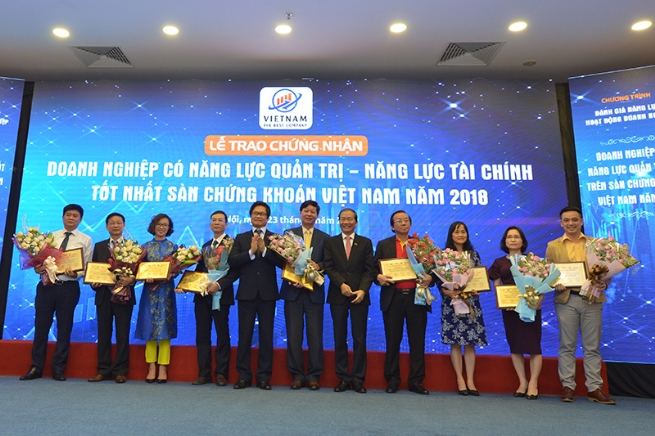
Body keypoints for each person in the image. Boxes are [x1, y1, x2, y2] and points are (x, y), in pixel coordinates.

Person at [546, 206, 616, 405]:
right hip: (566, 299)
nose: (571, 223)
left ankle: (594, 388)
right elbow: (548, 272)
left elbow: (606, 271)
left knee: (592, 347)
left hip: (592, 299)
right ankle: (568, 386)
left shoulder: (595, 244)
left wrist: (604, 283)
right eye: (566, 220)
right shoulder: (553, 246)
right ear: (561, 223)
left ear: (582, 221)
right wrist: (554, 283)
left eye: (574, 219)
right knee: (566, 345)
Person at [20, 204, 93, 382]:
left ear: (80, 219)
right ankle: (36, 367)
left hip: (68, 288)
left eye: (75, 215)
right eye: (68, 215)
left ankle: (58, 368)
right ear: (62, 217)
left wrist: (76, 273)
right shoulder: (50, 237)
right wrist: (37, 268)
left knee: (64, 328)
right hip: (46, 286)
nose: (71, 218)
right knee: (41, 326)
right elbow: (40, 260)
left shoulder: (85, 239)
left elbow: (87, 265)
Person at [374, 210, 434, 395]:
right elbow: (373, 269)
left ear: (410, 224)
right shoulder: (383, 245)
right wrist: (378, 277)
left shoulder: (421, 245)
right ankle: (392, 380)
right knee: (393, 340)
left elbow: (433, 269)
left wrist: (430, 278)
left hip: (417, 297)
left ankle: (416, 381)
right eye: (398, 221)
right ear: (392, 226)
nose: (403, 223)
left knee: (417, 341)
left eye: (406, 220)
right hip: (393, 298)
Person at [228, 201, 285, 390]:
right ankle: (243, 376)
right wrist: (251, 252)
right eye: (255, 213)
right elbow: (233, 261)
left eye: (262, 214)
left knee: (266, 336)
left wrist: (264, 251)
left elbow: (282, 262)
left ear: (267, 218)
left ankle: (263, 377)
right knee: (244, 335)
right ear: (250, 216)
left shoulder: (275, 238)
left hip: (268, 294)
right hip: (247, 293)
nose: (258, 216)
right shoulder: (241, 238)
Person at [323, 208, 376, 394]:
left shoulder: (365, 242)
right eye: (343, 219)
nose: (346, 222)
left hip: (359, 296)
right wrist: (341, 284)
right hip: (338, 295)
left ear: (356, 222)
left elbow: (370, 270)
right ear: (339, 221)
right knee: (340, 337)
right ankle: (343, 378)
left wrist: (362, 290)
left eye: (349, 219)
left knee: (359, 338)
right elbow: (329, 267)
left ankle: (358, 379)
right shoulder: (331, 242)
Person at [185, 210, 239, 387]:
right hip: (202, 296)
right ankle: (204, 373)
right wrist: (185, 285)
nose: (216, 222)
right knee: (202, 334)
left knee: (222, 334)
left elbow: (235, 272)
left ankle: (221, 373)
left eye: (220, 220)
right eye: (214, 220)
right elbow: (200, 271)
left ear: (226, 224)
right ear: (210, 224)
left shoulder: (233, 244)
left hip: (221, 296)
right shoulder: (206, 246)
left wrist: (219, 285)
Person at [280, 200, 329, 390]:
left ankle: (314, 375)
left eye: (313, 211)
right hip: (292, 291)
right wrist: (291, 277)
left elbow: (329, 262)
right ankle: (297, 375)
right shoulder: (289, 234)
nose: (309, 214)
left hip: (314, 292)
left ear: (317, 215)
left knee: (315, 335)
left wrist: (319, 266)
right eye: (306, 211)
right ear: (300, 213)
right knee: (294, 335)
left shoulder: (325, 237)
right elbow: (283, 259)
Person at [489, 226, 542, 399]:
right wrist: (503, 302)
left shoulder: (532, 260)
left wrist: (539, 300)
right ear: (505, 241)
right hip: (510, 309)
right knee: (515, 345)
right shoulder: (499, 262)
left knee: (534, 346)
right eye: (509, 237)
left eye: (516, 236)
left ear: (522, 241)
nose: (513, 240)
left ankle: (533, 383)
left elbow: (542, 283)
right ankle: (522, 382)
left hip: (530, 307)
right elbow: (497, 285)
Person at [439, 221, 487, 396]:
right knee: (455, 342)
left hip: (471, 302)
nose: (460, 235)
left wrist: (477, 288)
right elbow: (439, 281)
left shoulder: (473, 255)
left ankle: (470, 380)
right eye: (457, 232)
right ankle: (460, 379)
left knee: (470, 342)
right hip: (451, 303)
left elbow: (479, 277)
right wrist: (448, 291)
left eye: (463, 231)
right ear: (451, 235)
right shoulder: (444, 256)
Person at [88, 213, 135, 383]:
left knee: (122, 334)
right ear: (107, 226)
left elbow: (138, 271)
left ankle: (120, 371)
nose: (115, 225)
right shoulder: (99, 246)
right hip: (104, 295)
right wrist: (94, 282)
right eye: (112, 223)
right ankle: (103, 370)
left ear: (124, 225)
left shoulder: (132, 246)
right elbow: (94, 269)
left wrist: (132, 280)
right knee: (103, 333)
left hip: (124, 295)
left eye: (119, 223)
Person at [135, 213, 178, 384]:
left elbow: (177, 269)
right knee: (149, 327)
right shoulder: (144, 247)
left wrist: (172, 273)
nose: (162, 227)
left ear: (169, 228)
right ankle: (151, 366)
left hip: (166, 291)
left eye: (165, 225)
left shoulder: (173, 247)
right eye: (159, 224)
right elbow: (138, 269)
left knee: (165, 328)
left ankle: (163, 367)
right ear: (153, 226)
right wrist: (145, 276)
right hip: (150, 292)